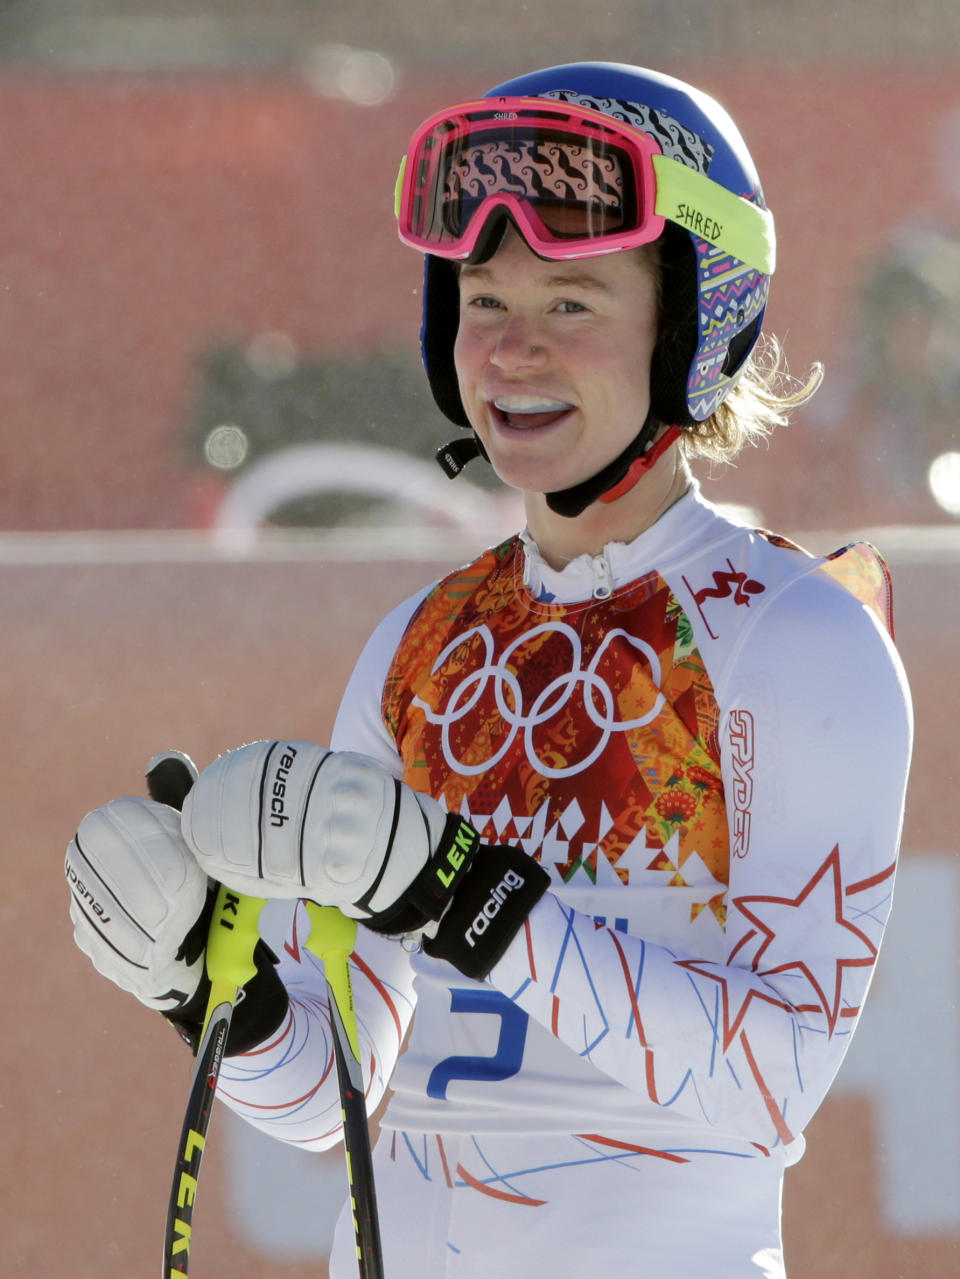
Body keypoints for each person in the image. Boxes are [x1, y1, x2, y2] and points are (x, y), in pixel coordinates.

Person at [66, 63, 913, 1277]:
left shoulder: (792, 639)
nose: (512, 351)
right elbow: (333, 1098)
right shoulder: (424, 646)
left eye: (573, 305)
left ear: (692, 319)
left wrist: (454, 887)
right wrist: (203, 980)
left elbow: (770, 1085)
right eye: (481, 299)